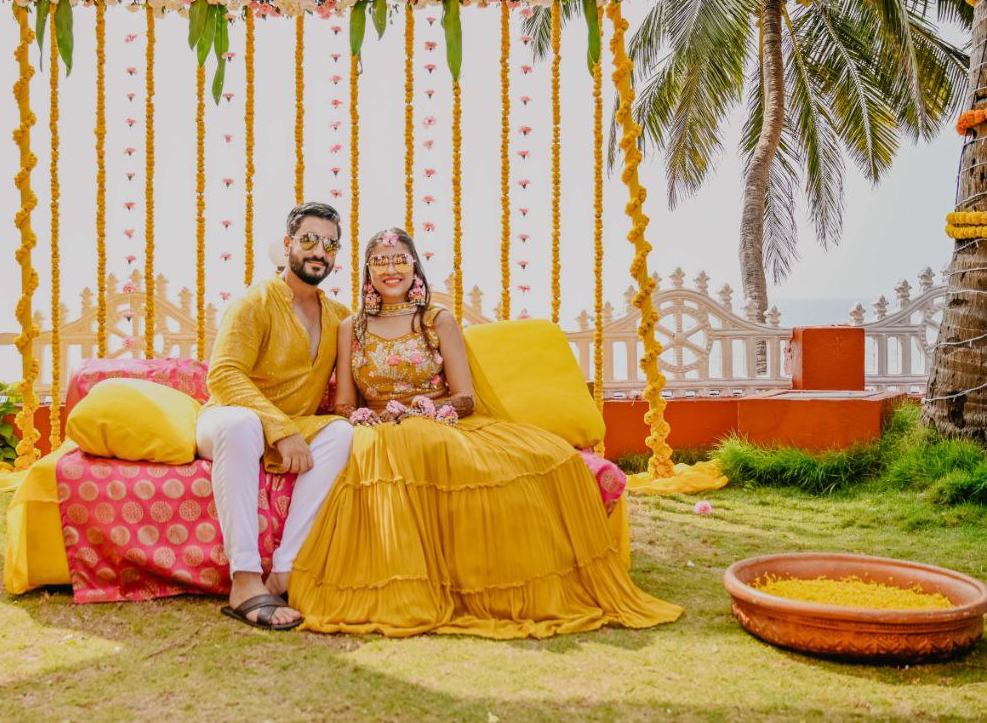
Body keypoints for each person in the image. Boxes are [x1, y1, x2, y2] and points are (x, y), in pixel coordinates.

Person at [289, 227, 684, 638]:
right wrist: (371, 419)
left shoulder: (436, 319)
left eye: (399, 259)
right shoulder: (351, 327)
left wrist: (426, 410)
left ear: (414, 266)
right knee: (407, 446)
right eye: (381, 261)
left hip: (441, 420)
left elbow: (465, 399)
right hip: (378, 430)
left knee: (549, 458)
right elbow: (345, 404)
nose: (391, 269)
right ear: (368, 271)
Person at [197, 202, 353, 630]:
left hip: (292, 425)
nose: (319, 251)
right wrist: (281, 430)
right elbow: (224, 374)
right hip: (228, 421)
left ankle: (284, 570)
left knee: (341, 433)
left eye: (330, 244)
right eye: (308, 240)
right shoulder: (255, 302)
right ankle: (245, 580)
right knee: (243, 423)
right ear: (287, 246)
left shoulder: (340, 316)